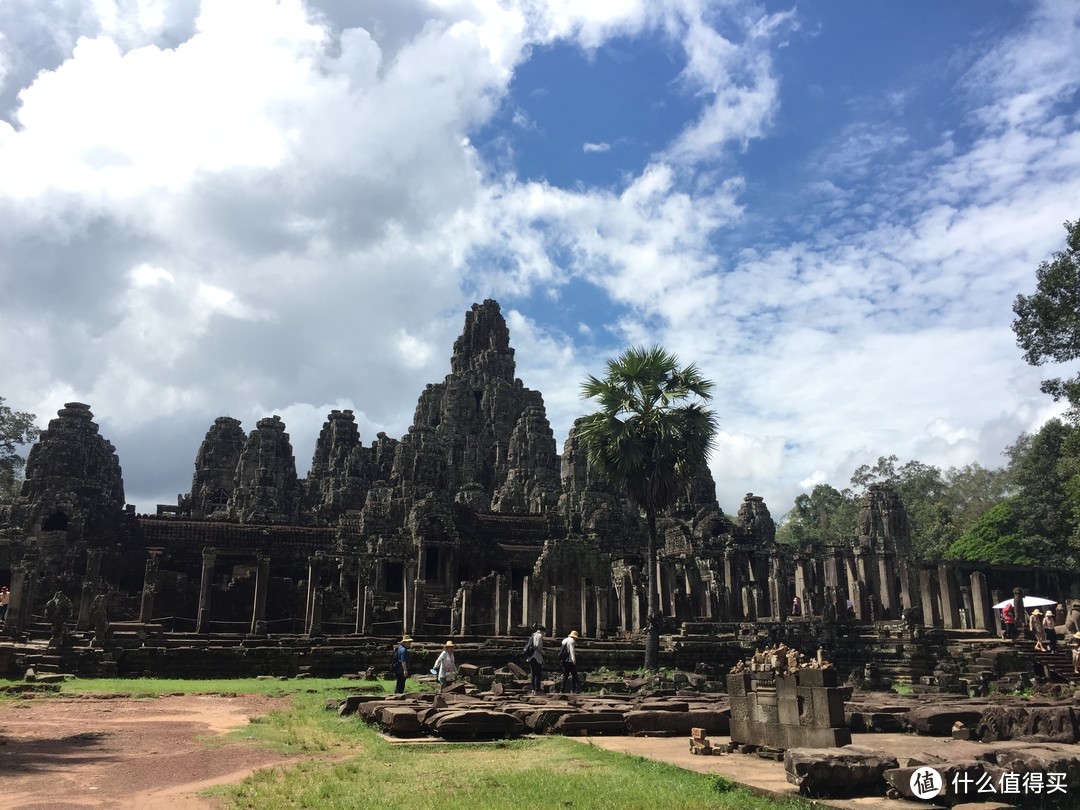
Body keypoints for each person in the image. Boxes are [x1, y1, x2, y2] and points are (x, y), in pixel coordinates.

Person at [526, 623, 545, 693]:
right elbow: (537, 646)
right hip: (536, 657)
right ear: (542, 631)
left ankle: (533, 689)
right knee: (538, 673)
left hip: (530, 657)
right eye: (544, 632)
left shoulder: (533, 635)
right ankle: (537, 689)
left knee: (533, 674)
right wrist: (542, 652)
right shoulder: (539, 636)